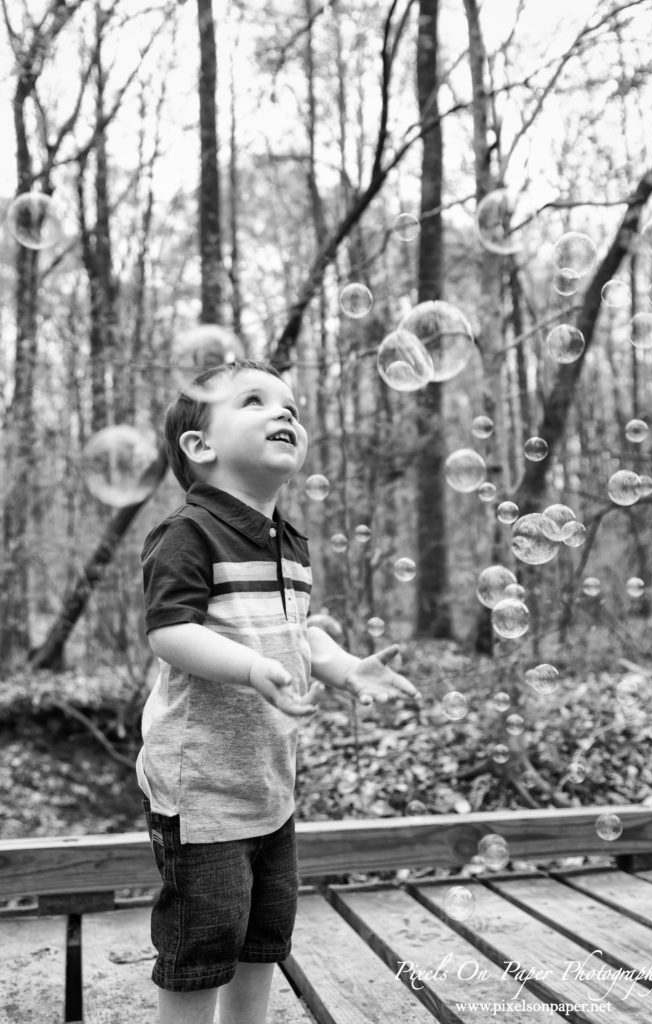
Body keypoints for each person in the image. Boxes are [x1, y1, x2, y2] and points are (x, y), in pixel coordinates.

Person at [136, 358, 420, 1024]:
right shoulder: (187, 534)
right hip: (200, 787)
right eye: (256, 401)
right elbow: (170, 633)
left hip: (268, 784)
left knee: (263, 938)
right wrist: (248, 667)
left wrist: (344, 666)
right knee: (201, 944)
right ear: (200, 446)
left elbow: (298, 636)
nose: (284, 412)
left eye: (290, 405)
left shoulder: (288, 543)